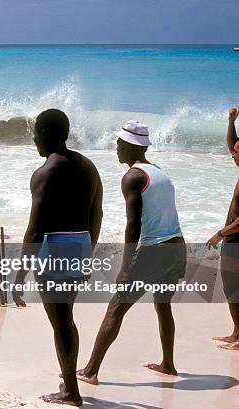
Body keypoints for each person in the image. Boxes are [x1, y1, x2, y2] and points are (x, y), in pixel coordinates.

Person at [76, 120, 187, 385]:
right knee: (163, 305)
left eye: (118, 143)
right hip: (177, 246)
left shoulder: (133, 177)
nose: (116, 148)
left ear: (129, 146)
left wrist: (125, 267)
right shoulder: (159, 171)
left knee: (116, 308)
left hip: (154, 251)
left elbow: (133, 225)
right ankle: (168, 365)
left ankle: (90, 371)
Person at [13, 109, 103, 406]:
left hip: (55, 247)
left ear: (47, 134)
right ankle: (69, 381)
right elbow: (96, 213)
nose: (34, 138)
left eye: (36, 132)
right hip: (79, 244)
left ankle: (71, 392)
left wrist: (19, 274)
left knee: (61, 321)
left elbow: (35, 230)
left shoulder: (45, 173)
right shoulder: (88, 166)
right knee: (66, 318)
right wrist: (87, 253)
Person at [206, 107, 239, 350]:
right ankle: (236, 333)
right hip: (233, 240)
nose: (232, 155)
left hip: (236, 240)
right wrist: (231, 121)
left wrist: (220, 233)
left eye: (237, 153)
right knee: (231, 287)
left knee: (234, 286)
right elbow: (232, 143)